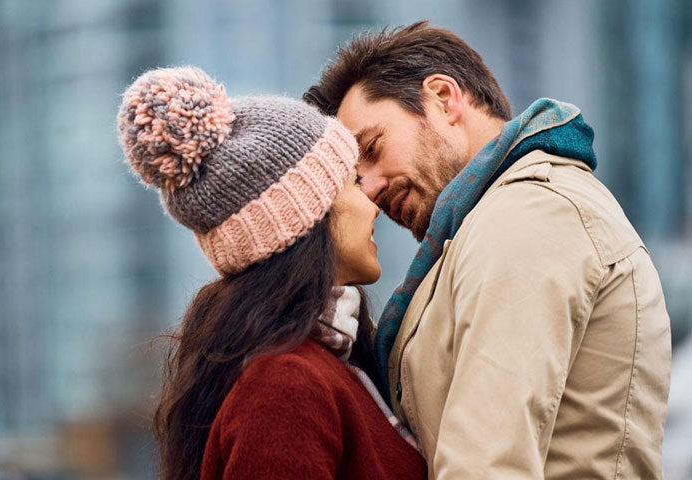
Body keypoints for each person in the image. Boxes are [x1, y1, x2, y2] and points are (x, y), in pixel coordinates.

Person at [304, 21, 671, 479]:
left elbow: (486, 466)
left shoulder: (529, 214)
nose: (371, 190)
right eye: (356, 179)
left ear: (443, 98)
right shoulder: (484, 228)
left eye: (373, 149)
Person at [118, 67, 427, 480]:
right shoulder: (287, 386)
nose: (371, 201)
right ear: (308, 216)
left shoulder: (316, 366)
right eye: (352, 181)